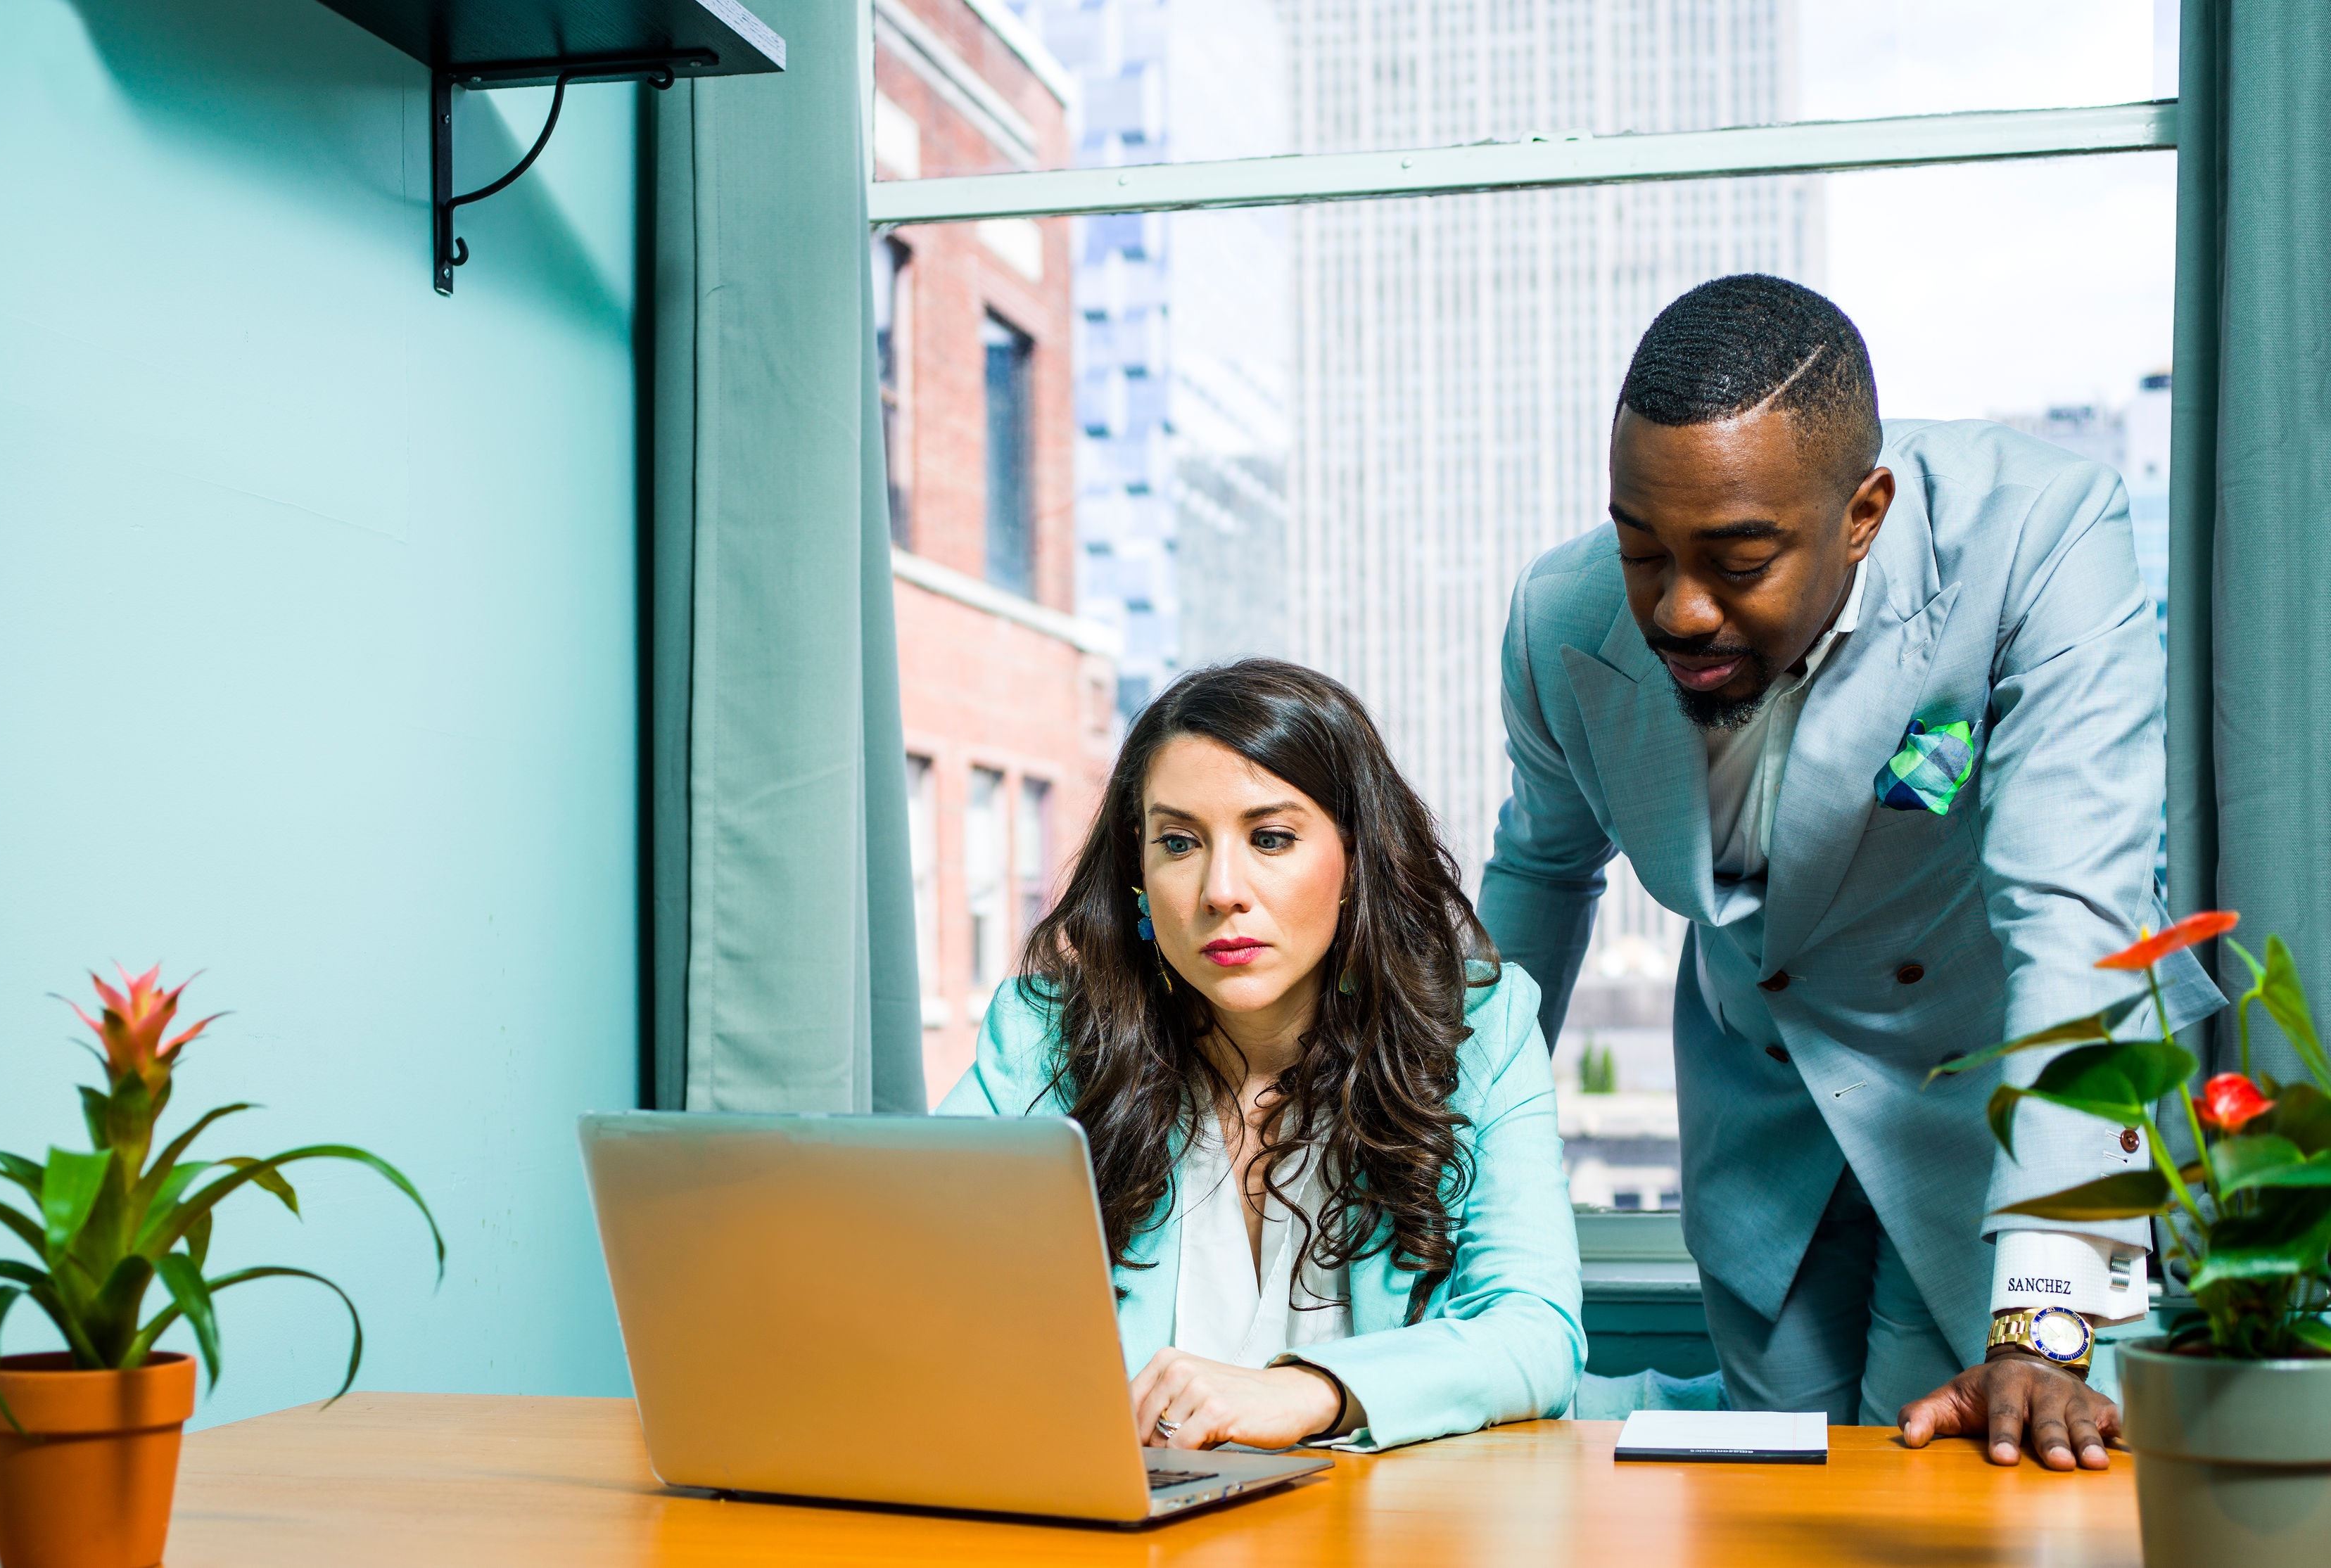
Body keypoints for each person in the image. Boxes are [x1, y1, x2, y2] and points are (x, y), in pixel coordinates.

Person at [1482, 274, 2223, 1467]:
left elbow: (2074, 915)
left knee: (2007, 1495)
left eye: (1737, 559)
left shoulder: (2040, 532)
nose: (1678, 606)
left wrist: (2044, 1318)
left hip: (2014, 1099)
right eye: (1641, 548)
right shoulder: (1557, 618)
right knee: (1782, 1501)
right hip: (1766, 1107)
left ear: (1864, 512)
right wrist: (1427, 1152)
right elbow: (1540, 879)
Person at [940, 659, 1583, 1452]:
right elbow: (915, 1285)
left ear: (1356, 858)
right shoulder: (1046, 1041)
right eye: (1178, 842)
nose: (1221, 890)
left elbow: (1536, 1332)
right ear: (1137, 873)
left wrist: (1313, 1391)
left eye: (1271, 838)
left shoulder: (1480, 1027)